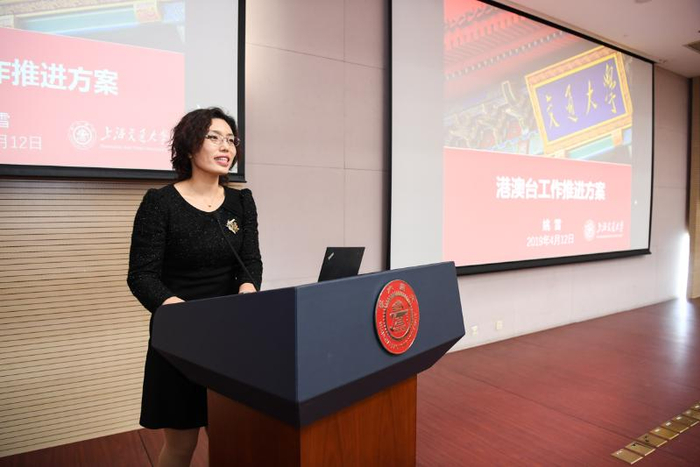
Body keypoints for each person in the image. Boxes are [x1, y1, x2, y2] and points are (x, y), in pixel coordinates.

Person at [127, 107, 262, 467]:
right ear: (189, 146)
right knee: (181, 444)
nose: (226, 146)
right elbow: (141, 275)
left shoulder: (241, 201)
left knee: (231, 438)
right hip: (180, 337)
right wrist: (181, 312)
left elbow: (251, 262)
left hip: (230, 334)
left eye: (230, 139)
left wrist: (248, 290)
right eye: (213, 137)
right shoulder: (160, 203)